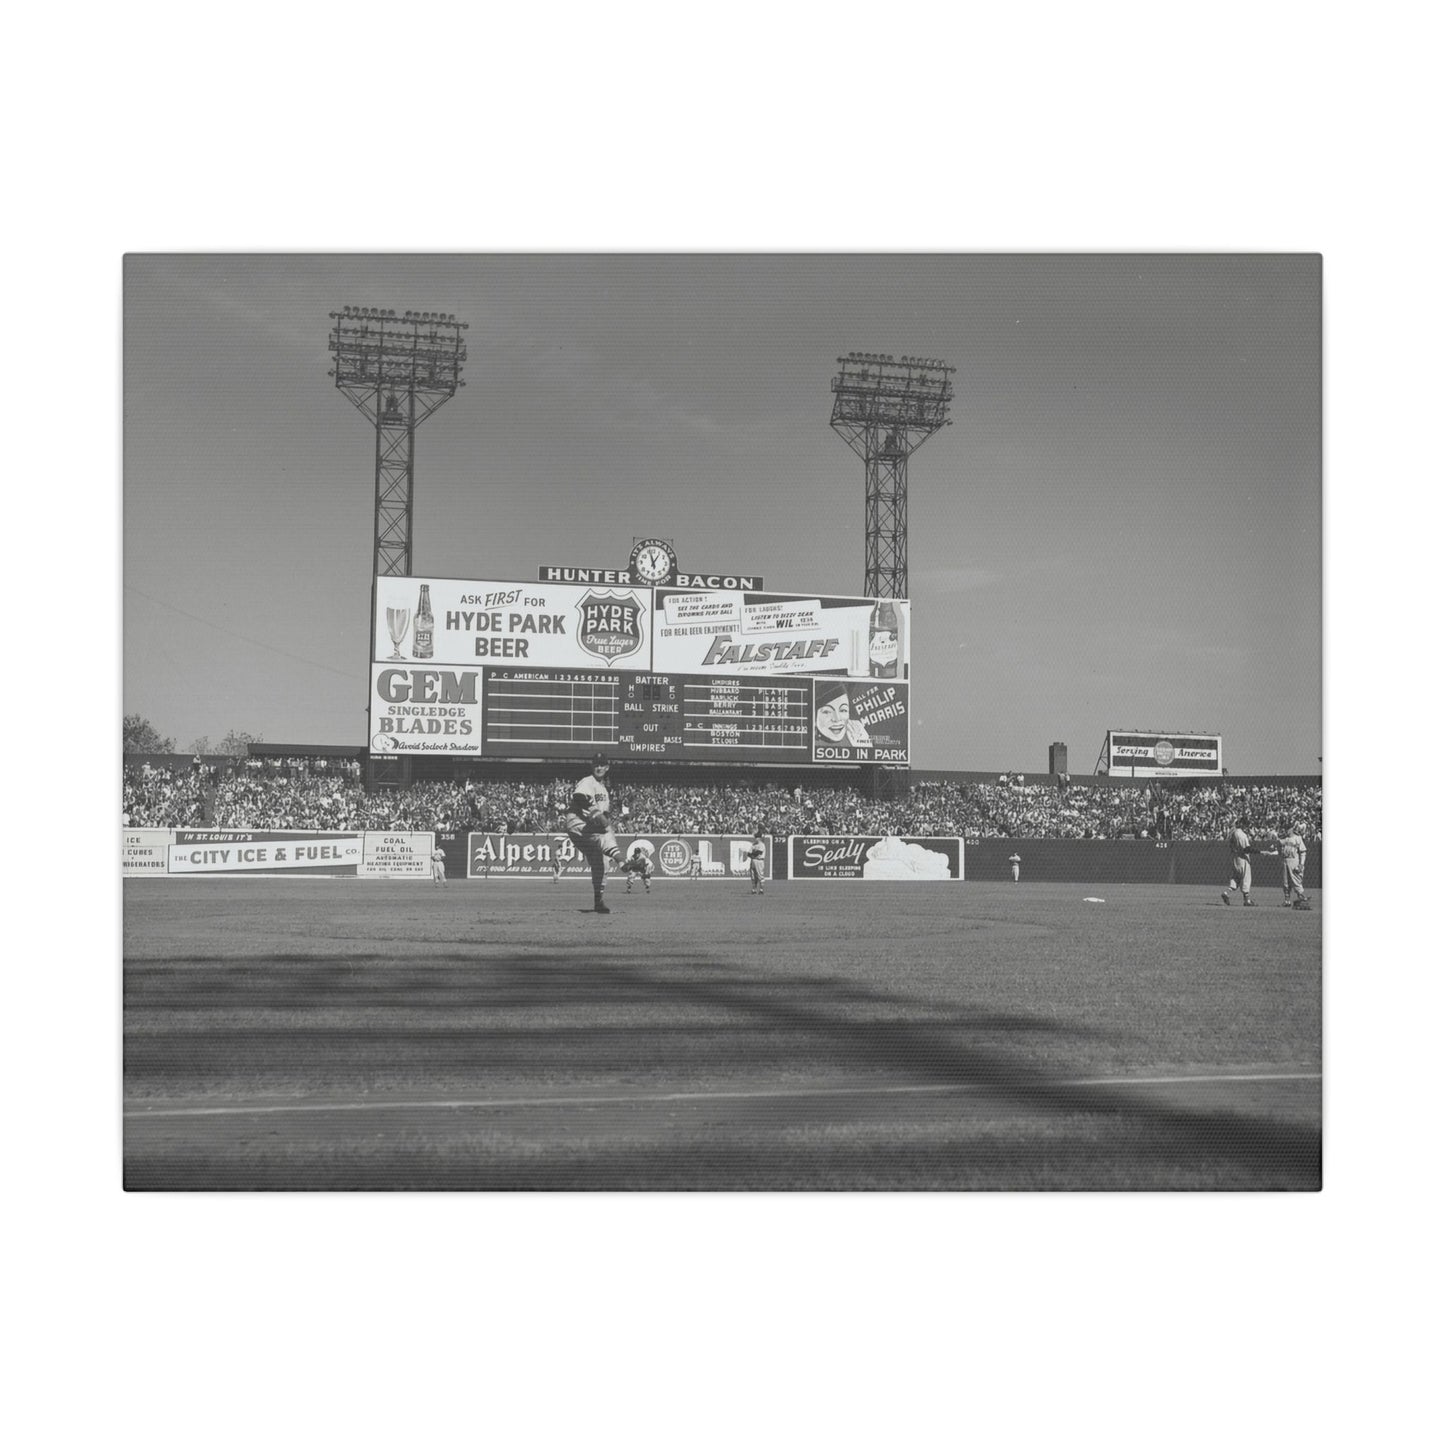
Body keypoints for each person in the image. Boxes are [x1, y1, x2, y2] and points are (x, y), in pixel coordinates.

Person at [565, 753, 622, 913]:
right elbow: (578, 797)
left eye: (602, 764)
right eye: (596, 764)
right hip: (578, 822)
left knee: (602, 863)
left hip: (588, 829)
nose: (599, 767)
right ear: (592, 767)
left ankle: (598, 901)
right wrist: (596, 813)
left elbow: (605, 816)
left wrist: (603, 819)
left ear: (607, 767)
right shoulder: (587, 781)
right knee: (606, 837)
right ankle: (622, 860)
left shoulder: (604, 790)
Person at [814, 681, 869, 748]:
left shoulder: (857, 738)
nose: (837, 719)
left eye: (843, 710)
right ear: (814, 719)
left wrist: (864, 745)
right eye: (827, 712)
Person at [1220, 816, 1261, 906]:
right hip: (1243, 858)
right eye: (1246, 824)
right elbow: (1246, 849)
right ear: (1242, 824)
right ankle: (1247, 900)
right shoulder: (1241, 834)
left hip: (1235, 857)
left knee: (1236, 878)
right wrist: (1260, 851)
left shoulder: (1234, 832)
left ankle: (1226, 893)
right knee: (1246, 877)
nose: (1247, 826)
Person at [1279, 823, 1310, 909]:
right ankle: (1287, 901)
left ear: (1292, 829)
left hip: (1294, 861)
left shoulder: (1297, 838)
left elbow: (1303, 852)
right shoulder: (1284, 838)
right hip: (1285, 860)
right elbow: (1278, 847)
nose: (1286, 830)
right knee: (1285, 882)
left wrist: (1301, 864)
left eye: (1288, 828)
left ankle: (1302, 898)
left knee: (1296, 880)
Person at [747, 829, 766, 894]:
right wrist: (752, 855)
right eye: (755, 837)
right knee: (753, 876)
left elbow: (758, 853)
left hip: (759, 861)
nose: (755, 839)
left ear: (759, 838)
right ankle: (754, 889)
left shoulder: (761, 845)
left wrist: (753, 854)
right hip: (753, 861)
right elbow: (748, 853)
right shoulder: (753, 844)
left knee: (760, 876)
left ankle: (761, 890)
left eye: (757, 837)